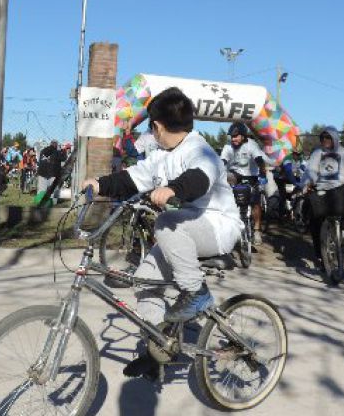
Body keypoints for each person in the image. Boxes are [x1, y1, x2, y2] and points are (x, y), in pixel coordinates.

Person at [82, 87, 242, 379]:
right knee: (145, 283)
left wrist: (172, 189)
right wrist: (99, 184)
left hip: (217, 226)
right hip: (181, 230)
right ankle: (159, 349)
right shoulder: (161, 155)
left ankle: (196, 293)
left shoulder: (199, 149)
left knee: (165, 222)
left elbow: (200, 177)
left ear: (156, 126)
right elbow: (131, 178)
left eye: (151, 127)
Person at [300, 126, 344, 264]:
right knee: (315, 221)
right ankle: (319, 253)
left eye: (328, 137)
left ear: (335, 138)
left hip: (340, 187)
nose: (325, 140)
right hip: (321, 188)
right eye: (323, 138)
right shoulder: (317, 153)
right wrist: (307, 183)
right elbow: (311, 170)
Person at [219, 122, 268, 244]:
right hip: (235, 175)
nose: (233, 139)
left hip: (251, 175)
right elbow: (222, 162)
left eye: (236, 136)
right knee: (229, 187)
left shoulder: (251, 145)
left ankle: (257, 231)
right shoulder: (227, 147)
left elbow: (259, 160)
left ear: (243, 136)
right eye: (232, 136)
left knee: (255, 202)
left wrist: (263, 174)